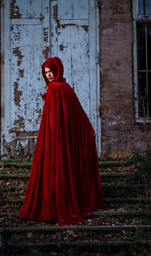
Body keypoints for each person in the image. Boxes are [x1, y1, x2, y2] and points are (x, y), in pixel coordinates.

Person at [19, 57, 104, 225]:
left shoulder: (57, 89)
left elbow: (73, 114)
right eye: (46, 73)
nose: (49, 75)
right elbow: (76, 114)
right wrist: (87, 130)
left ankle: (54, 206)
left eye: (50, 71)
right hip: (60, 139)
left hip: (56, 140)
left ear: (58, 70)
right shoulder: (65, 88)